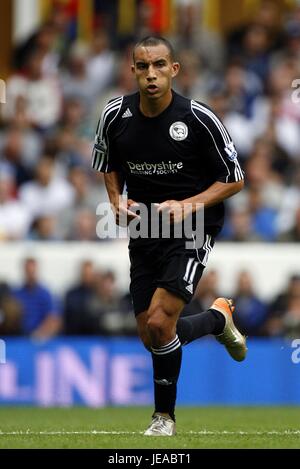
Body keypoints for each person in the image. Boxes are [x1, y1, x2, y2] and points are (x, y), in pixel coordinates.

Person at [92, 36, 247, 436]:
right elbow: (107, 161)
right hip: (145, 227)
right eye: (142, 67)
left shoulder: (198, 118)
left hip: (194, 227)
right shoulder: (114, 115)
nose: (151, 74)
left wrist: (190, 204)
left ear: (173, 69)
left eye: (159, 65)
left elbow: (234, 178)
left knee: (162, 323)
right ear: (132, 71)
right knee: (152, 333)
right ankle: (217, 319)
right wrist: (115, 201)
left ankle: (164, 418)